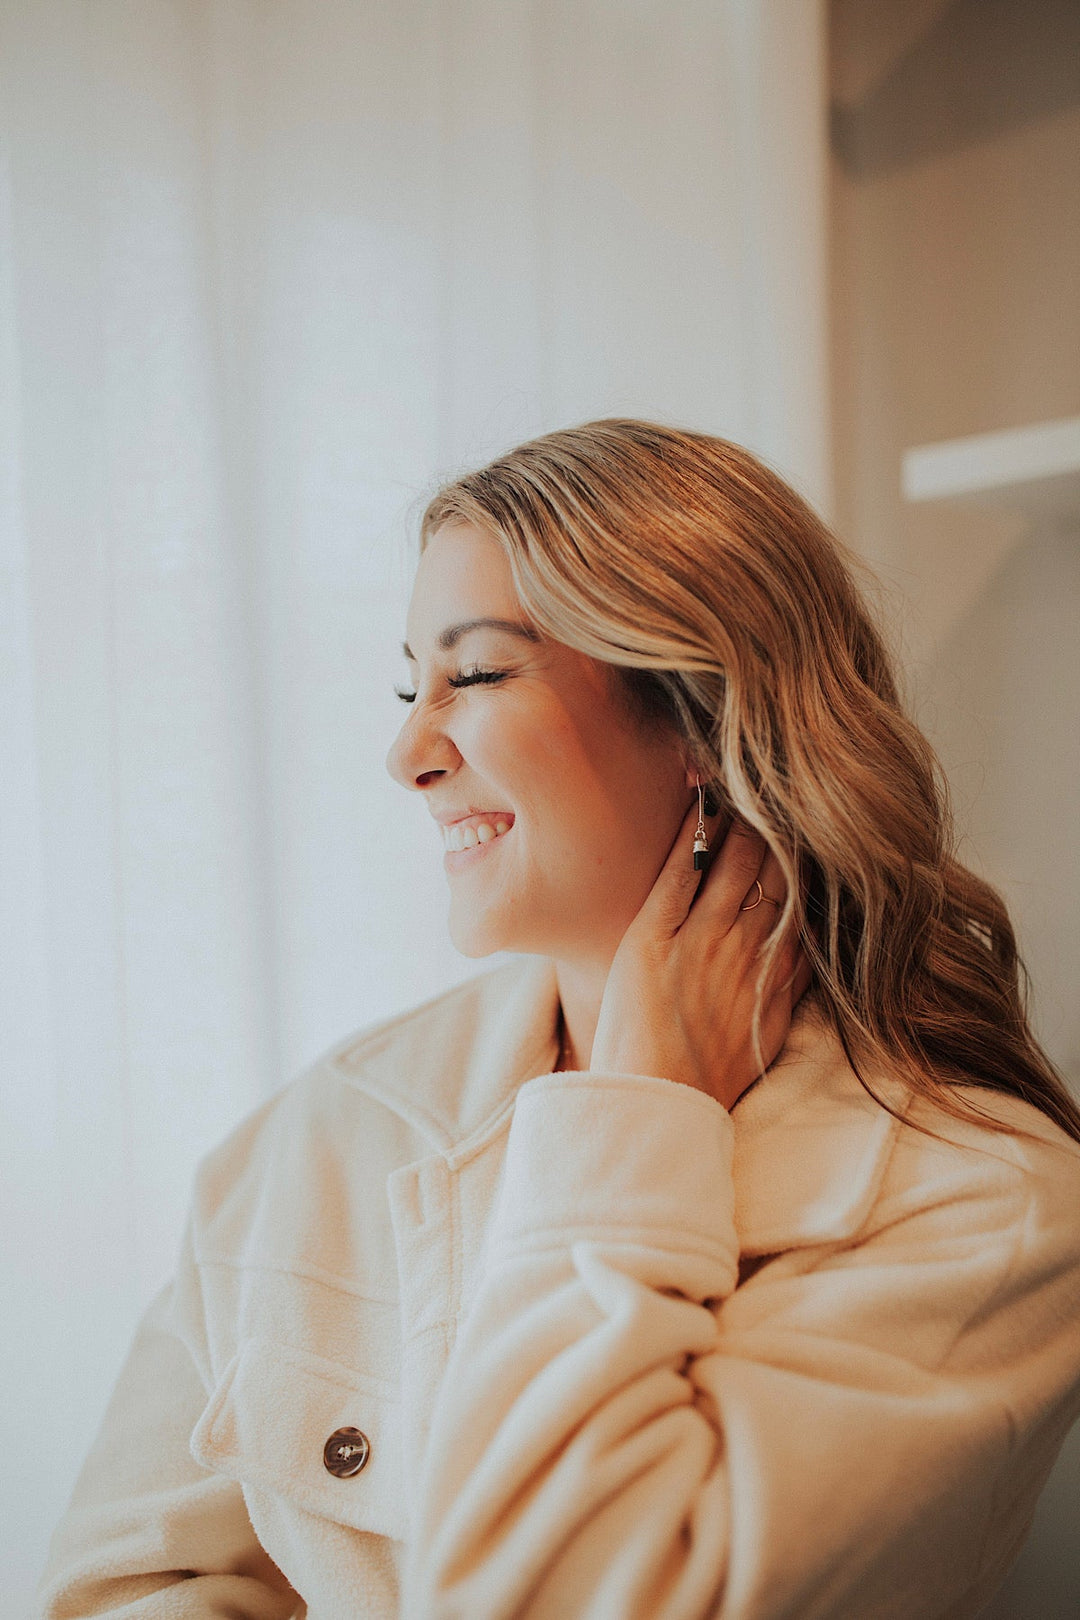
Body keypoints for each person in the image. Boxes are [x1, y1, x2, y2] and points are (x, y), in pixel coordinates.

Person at [38, 419, 1080, 1619]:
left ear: (702, 720)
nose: (406, 752)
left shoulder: (978, 1205)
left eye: (473, 676)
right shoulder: (315, 1139)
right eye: (406, 686)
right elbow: (120, 1590)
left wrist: (637, 1120)